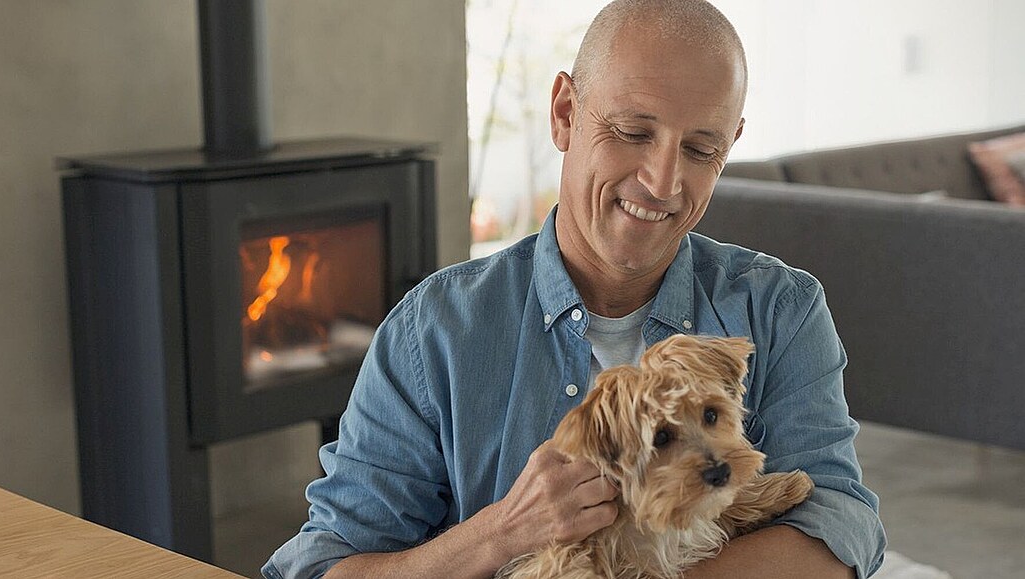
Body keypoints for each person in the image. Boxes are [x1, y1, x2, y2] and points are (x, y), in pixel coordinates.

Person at [263, 1, 887, 577]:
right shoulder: (433, 332)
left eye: (700, 149)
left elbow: (839, 522)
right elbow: (328, 567)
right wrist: (501, 533)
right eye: (633, 132)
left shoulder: (780, 310)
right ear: (564, 113)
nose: (662, 182)